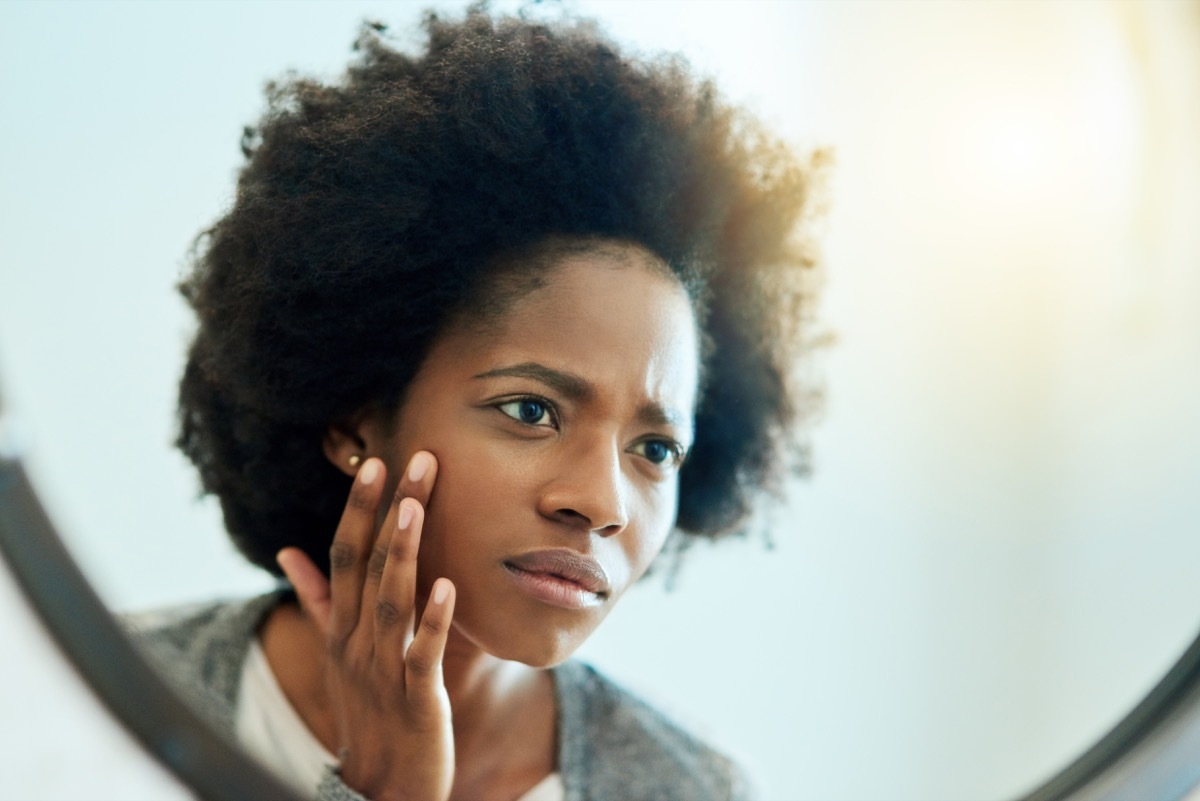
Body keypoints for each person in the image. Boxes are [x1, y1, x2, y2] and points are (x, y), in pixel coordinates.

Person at [128, 7, 824, 801]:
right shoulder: (94, 693)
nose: (601, 504)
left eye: (655, 448)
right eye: (532, 410)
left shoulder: (689, 789)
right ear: (355, 415)